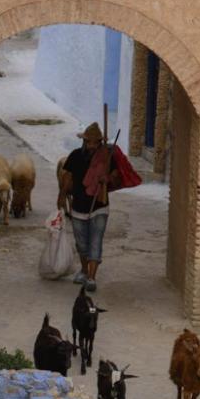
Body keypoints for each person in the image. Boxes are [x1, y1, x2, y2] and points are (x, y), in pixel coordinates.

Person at [59, 122, 121, 293]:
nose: (92, 145)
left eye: (95, 142)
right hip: (78, 206)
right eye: (89, 142)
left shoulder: (108, 158)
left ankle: (92, 278)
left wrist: (107, 178)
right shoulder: (75, 156)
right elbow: (67, 178)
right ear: (84, 142)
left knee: (96, 241)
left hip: (100, 206)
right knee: (81, 243)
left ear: (100, 142)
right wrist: (62, 196)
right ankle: (84, 270)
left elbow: (116, 177)